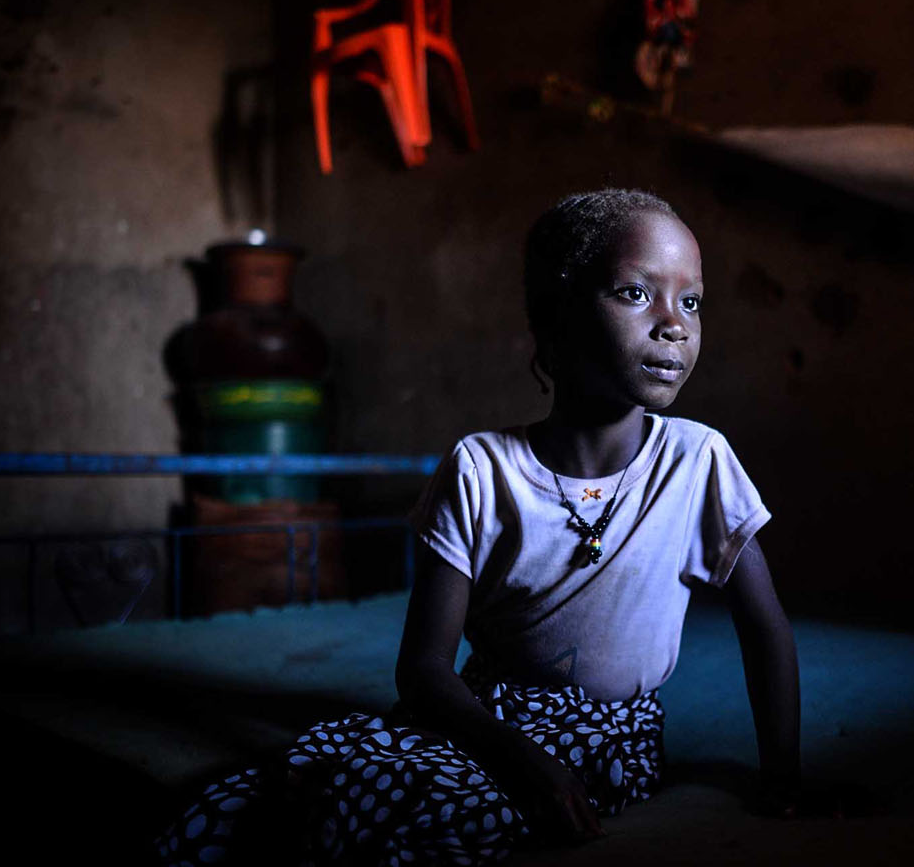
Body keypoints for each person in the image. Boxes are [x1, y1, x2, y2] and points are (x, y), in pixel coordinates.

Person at [156, 189, 800, 865]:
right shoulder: (481, 470)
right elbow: (424, 669)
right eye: (636, 294)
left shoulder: (698, 462)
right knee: (282, 792)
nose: (674, 325)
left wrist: (782, 777)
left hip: (608, 741)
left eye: (691, 302)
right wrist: (523, 760)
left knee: (392, 813)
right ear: (557, 319)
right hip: (482, 723)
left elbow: (765, 627)